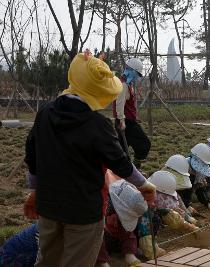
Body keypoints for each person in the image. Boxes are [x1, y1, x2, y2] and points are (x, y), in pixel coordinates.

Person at [24, 51, 156, 267]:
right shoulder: (96, 124)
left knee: (47, 260)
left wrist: (35, 190)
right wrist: (143, 184)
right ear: (101, 92)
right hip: (83, 212)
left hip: (48, 206)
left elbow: (32, 157)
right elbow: (120, 162)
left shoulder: (45, 113)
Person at [137, 171, 198, 260]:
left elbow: (170, 215)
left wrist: (189, 226)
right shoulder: (143, 208)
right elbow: (145, 232)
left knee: (158, 216)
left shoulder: (154, 202)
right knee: (154, 220)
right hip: (124, 236)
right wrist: (159, 254)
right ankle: (135, 248)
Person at [96, 172, 148, 267]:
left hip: (113, 233)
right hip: (100, 229)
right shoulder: (102, 200)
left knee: (127, 231)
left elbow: (128, 232)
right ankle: (102, 262)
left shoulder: (124, 199)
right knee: (98, 235)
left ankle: (129, 255)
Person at [113, 58, 150, 169]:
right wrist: (122, 121)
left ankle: (127, 171)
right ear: (131, 71)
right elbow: (119, 103)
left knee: (122, 150)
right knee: (144, 144)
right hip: (125, 122)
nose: (137, 76)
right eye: (136, 73)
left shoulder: (128, 84)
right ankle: (133, 168)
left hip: (128, 120)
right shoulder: (123, 84)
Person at [178, 143, 210, 214]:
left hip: (189, 192)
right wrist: (187, 205)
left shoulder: (200, 171)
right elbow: (178, 191)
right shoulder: (182, 165)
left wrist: (208, 203)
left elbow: (200, 189)